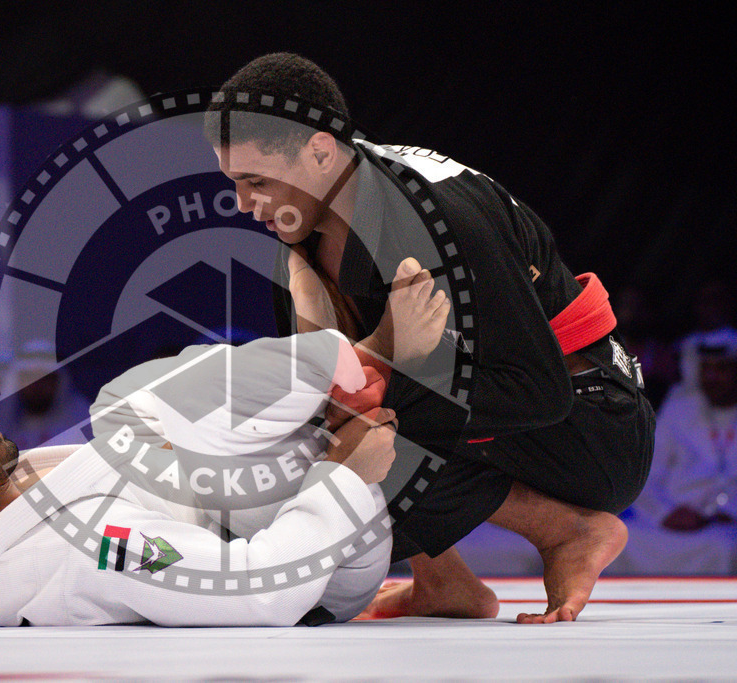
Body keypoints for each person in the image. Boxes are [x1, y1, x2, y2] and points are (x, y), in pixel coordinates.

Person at [204, 53, 655, 623]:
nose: (243, 204)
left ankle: (569, 531)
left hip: (594, 430)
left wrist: (380, 374)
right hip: (507, 415)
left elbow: (538, 391)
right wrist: (358, 347)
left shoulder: (438, 218)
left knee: (353, 417)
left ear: (319, 151)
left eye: (256, 181)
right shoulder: (303, 234)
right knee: (316, 419)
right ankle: (447, 586)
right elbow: (315, 388)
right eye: (235, 183)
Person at [0, 330, 399, 627]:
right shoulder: (101, 548)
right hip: (325, 563)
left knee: (139, 418)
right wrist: (343, 474)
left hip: (240, 494)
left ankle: (343, 364)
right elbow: (261, 592)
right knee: (134, 404)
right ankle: (363, 359)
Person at [612, 329, 737, 574]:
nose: (712, 377)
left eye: (722, 369)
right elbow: (646, 475)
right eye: (706, 369)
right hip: (669, 523)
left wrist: (728, 512)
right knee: (619, 539)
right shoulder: (680, 409)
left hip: (725, 527)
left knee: (725, 546)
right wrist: (665, 514)